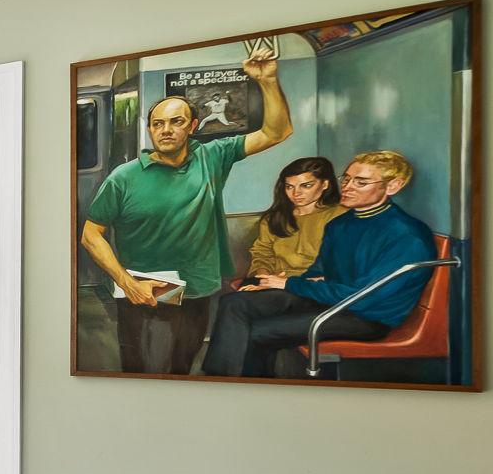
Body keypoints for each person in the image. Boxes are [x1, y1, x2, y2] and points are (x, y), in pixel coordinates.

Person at [80, 47, 292, 374]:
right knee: (135, 366)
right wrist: (126, 281)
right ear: (150, 130)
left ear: (192, 125)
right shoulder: (124, 178)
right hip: (141, 286)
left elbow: (277, 132)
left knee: (183, 363)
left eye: (175, 122)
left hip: (196, 287)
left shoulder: (213, 157)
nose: (166, 129)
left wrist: (267, 81)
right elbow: (91, 235)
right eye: (158, 124)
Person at [202, 150, 437, 378]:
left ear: (393, 186)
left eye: (361, 182)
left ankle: (243, 385)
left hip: (367, 315)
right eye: (346, 178)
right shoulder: (342, 224)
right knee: (235, 302)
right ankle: (217, 378)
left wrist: (289, 284)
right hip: (331, 299)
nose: (347, 186)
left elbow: (364, 296)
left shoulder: (406, 236)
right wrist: (276, 285)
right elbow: (319, 271)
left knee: (260, 331)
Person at [245, 156, 344, 281]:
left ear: (325, 184)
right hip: (274, 281)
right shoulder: (275, 218)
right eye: (289, 187)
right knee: (236, 299)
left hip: (315, 284)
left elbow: (344, 262)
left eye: (306, 185)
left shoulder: (341, 215)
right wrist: (264, 277)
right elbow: (262, 254)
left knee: (239, 300)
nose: (296, 193)